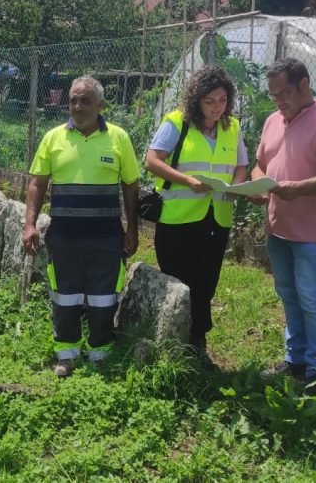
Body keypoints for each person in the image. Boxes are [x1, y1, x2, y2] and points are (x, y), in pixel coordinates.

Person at [249, 58, 316, 386]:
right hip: (278, 226)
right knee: (287, 293)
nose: (279, 101)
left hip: (312, 231)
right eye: (273, 95)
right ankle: (294, 359)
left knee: (311, 296)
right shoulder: (273, 121)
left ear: (304, 85)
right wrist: (258, 186)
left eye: (284, 93)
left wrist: (299, 189)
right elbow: (259, 164)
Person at [23, 76, 140, 378]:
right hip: (64, 236)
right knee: (65, 297)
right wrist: (29, 224)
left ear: (100, 105)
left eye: (85, 100)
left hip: (106, 236)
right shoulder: (53, 138)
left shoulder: (119, 138)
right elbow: (37, 182)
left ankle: (99, 352)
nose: (77, 106)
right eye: (73, 100)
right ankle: (67, 354)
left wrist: (132, 228)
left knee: (104, 297)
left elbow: (130, 184)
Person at [144, 66, 249, 362]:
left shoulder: (232, 127)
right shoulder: (177, 122)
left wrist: (236, 186)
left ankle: (197, 344)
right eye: (210, 101)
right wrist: (187, 181)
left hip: (217, 217)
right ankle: (170, 342)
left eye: (223, 100)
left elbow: (241, 165)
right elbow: (152, 161)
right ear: (196, 100)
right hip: (179, 218)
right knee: (179, 281)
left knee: (206, 282)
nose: (218, 108)